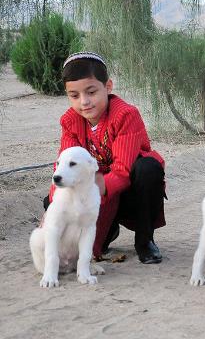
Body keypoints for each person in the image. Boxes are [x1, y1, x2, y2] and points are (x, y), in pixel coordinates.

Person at [43, 51, 166, 264]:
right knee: (53, 200)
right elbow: (64, 166)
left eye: (91, 92)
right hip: (95, 192)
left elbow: (122, 171)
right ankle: (108, 231)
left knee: (148, 168)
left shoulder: (126, 115)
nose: (84, 102)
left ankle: (145, 241)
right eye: (74, 96)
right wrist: (54, 204)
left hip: (128, 190)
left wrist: (92, 190)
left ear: (107, 87)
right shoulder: (70, 121)